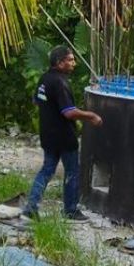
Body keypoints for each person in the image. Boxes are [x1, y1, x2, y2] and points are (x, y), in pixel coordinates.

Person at [23, 46, 103, 221]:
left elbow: (36, 101)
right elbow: (69, 112)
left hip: (48, 134)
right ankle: (70, 209)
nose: (74, 63)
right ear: (60, 63)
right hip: (64, 136)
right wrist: (91, 116)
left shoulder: (44, 79)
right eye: (70, 60)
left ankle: (31, 207)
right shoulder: (60, 83)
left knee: (46, 170)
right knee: (73, 171)